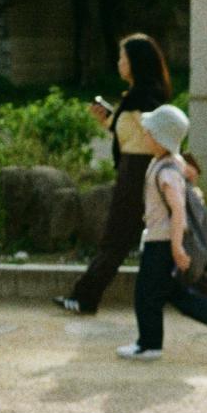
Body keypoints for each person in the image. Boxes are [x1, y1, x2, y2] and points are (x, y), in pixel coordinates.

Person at [58, 34, 173, 315]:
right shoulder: (141, 95)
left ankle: (84, 297)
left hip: (136, 172)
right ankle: (85, 296)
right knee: (134, 239)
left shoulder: (140, 97)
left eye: (123, 57)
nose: (119, 62)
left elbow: (155, 135)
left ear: (135, 63)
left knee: (116, 240)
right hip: (136, 170)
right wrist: (109, 120)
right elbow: (136, 134)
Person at [116, 105, 207, 361]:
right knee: (169, 291)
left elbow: (178, 210)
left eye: (149, 132)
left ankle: (149, 344)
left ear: (160, 139)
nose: (145, 135)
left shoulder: (167, 172)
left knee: (146, 294)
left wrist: (176, 247)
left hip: (162, 242)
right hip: (159, 239)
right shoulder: (169, 163)